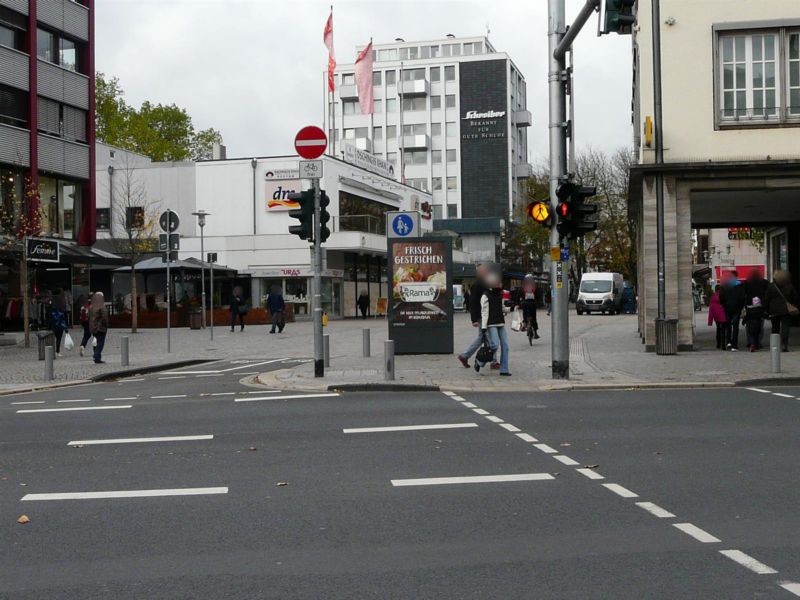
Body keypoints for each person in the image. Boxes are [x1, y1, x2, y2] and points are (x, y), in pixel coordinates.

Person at [475, 265, 511, 376]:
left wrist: (510, 308)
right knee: (494, 345)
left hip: (500, 322)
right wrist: (484, 327)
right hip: (491, 324)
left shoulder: (499, 295)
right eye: (496, 282)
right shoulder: (485, 296)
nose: (499, 283)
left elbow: (502, 308)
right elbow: (484, 313)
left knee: (505, 346)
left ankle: (504, 369)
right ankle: (480, 361)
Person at [457, 264, 488, 368]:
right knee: (483, 338)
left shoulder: (485, 284)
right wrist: (473, 319)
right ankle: (465, 355)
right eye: (484, 271)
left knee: (488, 337)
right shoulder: (477, 285)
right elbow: (473, 302)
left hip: (486, 315)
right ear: (479, 273)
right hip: (481, 316)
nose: (486, 272)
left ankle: (492, 360)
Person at [764, 269, 797, 352]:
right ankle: (784, 345)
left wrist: (766, 310)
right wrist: (793, 304)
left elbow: (767, 299)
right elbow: (795, 298)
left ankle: (774, 345)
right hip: (786, 310)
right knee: (785, 327)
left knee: (775, 328)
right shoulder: (789, 286)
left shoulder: (771, 286)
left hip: (774, 310)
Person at [719, 270, 746, 351]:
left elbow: (721, 297)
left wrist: (724, 305)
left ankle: (728, 342)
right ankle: (734, 344)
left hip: (727, 308)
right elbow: (742, 298)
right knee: (735, 326)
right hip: (736, 309)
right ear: (736, 276)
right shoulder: (740, 285)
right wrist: (741, 307)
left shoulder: (725, 285)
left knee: (728, 326)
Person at [515, 274, 540, 345]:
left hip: (524, 304)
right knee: (534, 317)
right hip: (532, 304)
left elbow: (518, 296)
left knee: (525, 315)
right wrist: (537, 302)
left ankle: (525, 324)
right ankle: (535, 333)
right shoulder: (535, 287)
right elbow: (538, 296)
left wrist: (517, 303)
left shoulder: (523, 287)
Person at [89, 292, 109, 364]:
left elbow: (89, 317)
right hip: (100, 327)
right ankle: (96, 356)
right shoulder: (101, 306)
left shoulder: (91, 306)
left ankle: (97, 358)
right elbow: (105, 317)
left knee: (95, 342)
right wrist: (106, 325)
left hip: (93, 327)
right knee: (100, 342)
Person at [47, 290, 68, 357]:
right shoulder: (61, 302)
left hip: (53, 323)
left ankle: (51, 352)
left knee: (52, 338)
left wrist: (49, 326)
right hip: (59, 324)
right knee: (58, 339)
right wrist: (66, 328)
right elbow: (63, 317)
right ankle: (57, 351)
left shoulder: (51, 301)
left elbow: (49, 314)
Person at [707, 285, 728, 350]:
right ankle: (723, 345)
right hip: (724, 315)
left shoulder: (713, 297)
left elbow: (711, 309)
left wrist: (710, 321)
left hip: (716, 316)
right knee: (723, 330)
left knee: (718, 329)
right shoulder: (724, 296)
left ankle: (718, 344)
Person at [78, 293, 93, 357]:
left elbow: (81, 315)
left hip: (84, 322)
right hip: (91, 321)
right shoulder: (94, 304)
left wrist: (81, 324)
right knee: (96, 335)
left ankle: (82, 345)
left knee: (86, 334)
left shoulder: (84, 305)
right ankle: (96, 350)